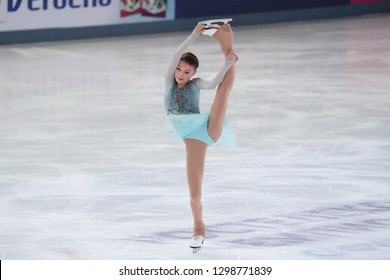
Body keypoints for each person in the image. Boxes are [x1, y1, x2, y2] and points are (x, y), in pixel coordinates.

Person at [164, 22, 237, 250]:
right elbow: (178, 53)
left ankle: (227, 44)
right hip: (194, 135)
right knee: (195, 191)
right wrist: (193, 35)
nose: (181, 75)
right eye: (179, 69)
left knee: (223, 92)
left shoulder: (195, 83)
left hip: (203, 130)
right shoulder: (169, 81)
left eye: (187, 72)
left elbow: (215, 83)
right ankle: (199, 227)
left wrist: (227, 64)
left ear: (194, 73)